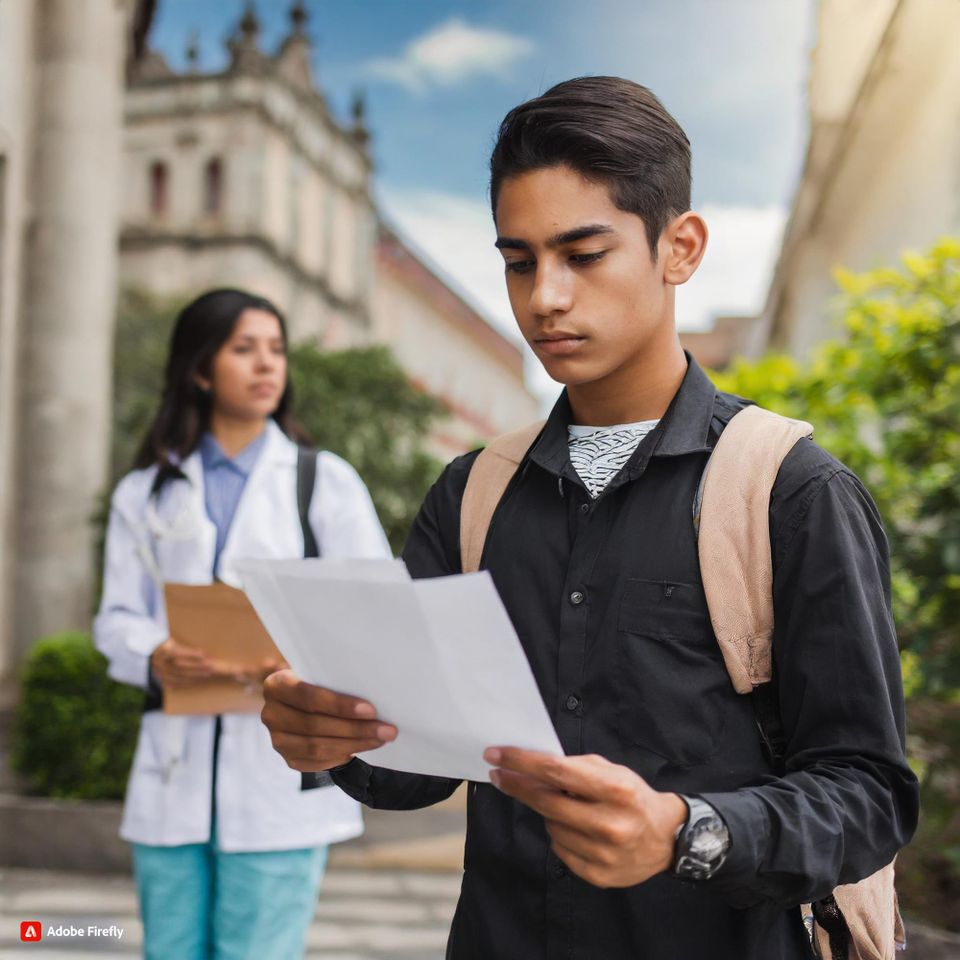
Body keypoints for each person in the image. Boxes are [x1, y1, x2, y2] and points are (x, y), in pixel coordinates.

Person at [260, 78, 920, 959]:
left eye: (583, 255)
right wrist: (337, 737)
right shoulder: (472, 495)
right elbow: (416, 767)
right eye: (520, 262)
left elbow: (870, 794)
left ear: (679, 248)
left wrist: (688, 832)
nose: (545, 297)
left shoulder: (790, 492)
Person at [94, 288, 391, 960]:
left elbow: (374, 613)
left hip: (278, 775)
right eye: (244, 349)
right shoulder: (144, 492)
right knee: (169, 949)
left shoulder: (324, 482)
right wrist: (155, 653)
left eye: (276, 350)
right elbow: (116, 619)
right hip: (174, 771)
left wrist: (296, 656)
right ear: (201, 369)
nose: (266, 364)